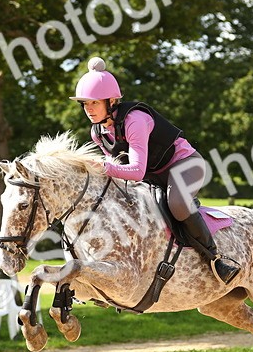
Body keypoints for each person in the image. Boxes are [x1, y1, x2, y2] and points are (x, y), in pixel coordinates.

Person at [70, 56, 241, 284]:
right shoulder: (97, 132)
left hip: (184, 165)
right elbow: (119, 168)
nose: (88, 109)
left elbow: (136, 171)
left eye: (94, 103)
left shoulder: (135, 121)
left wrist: (103, 166)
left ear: (111, 101)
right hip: (153, 176)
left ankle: (216, 259)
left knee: (177, 204)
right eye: (85, 104)